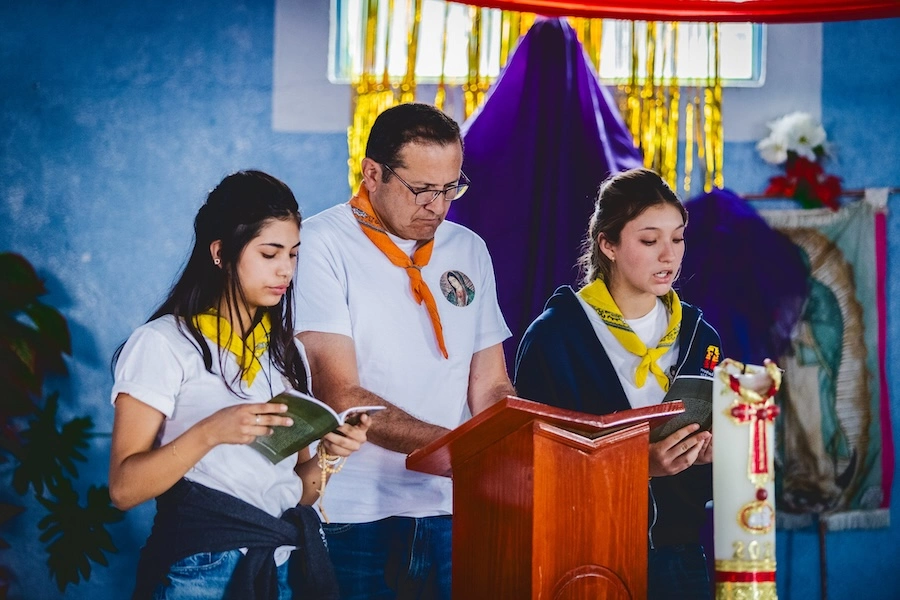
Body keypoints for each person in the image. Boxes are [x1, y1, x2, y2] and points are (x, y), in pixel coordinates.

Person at [109, 170, 369, 600]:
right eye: (270, 253)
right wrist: (212, 432)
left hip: (282, 566)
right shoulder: (162, 343)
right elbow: (123, 489)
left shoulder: (287, 356)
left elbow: (299, 494)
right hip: (199, 569)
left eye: (293, 254)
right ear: (220, 252)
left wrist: (329, 455)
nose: (285, 269)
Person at [293, 102, 516, 599]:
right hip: (352, 511)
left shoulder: (468, 249)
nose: (438, 206)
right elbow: (341, 395)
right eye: (421, 190)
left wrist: (513, 445)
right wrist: (461, 450)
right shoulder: (320, 243)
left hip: (452, 507)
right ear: (372, 173)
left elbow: (490, 384)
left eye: (450, 188)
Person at [514, 168, 721, 600]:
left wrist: (713, 453)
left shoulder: (701, 337)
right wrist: (636, 467)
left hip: (679, 551)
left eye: (677, 238)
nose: (669, 255)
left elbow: (715, 463)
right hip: (585, 555)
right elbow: (530, 467)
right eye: (649, 241)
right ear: (607, 244)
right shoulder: (556, 336)